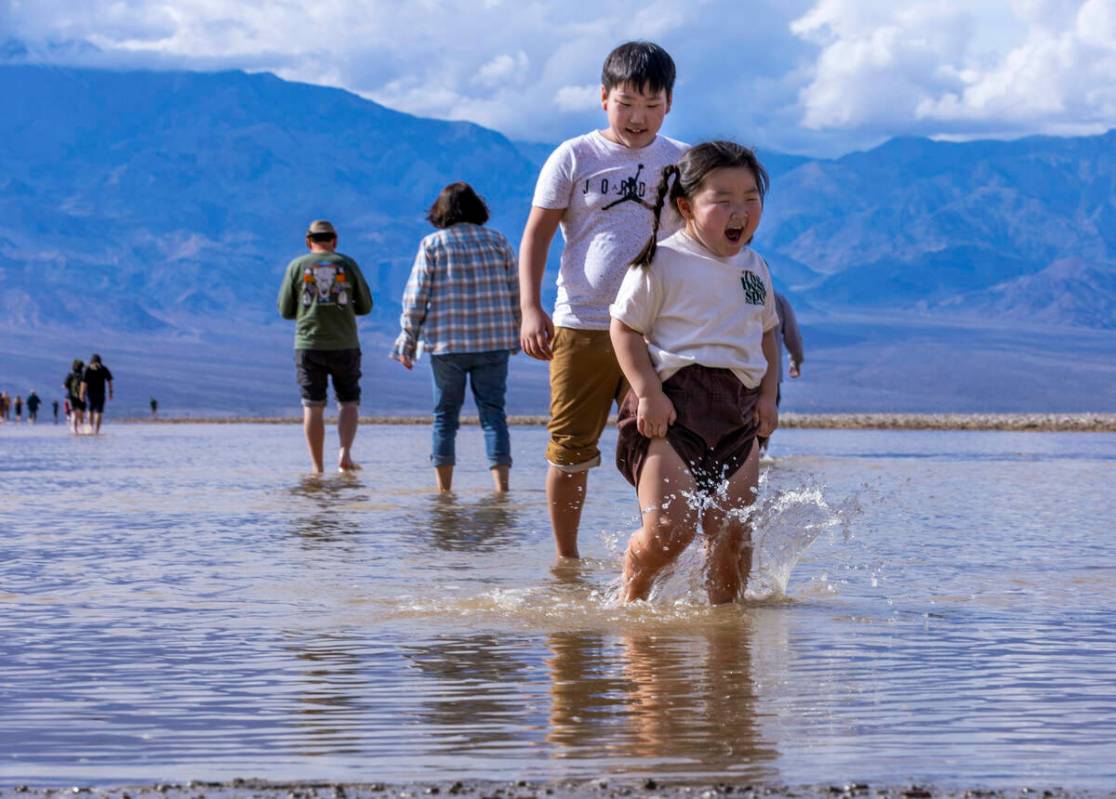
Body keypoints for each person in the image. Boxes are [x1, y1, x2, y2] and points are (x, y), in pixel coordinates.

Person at [519, 40, 688, 559]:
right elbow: (537, 235)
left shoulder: (681, 160)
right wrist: (530, 308)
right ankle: (567, 560)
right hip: (583, 325)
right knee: (571, 448)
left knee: (660, 440)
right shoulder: (575, 155)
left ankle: (655, 549)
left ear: (669, 104)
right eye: (626, 103)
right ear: (603, 98)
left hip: (655, 329)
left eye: (651, 105)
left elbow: (696, 241)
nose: (638, 118)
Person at [609, 141, 780, 604]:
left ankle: (725, 636)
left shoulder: (755, 268)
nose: (739, 211)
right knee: (669, 531)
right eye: (721, 200)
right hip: (672, 411)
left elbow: (768, 334)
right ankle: (633, 591)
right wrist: (647, 392)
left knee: (731, 536)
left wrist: (768, 398)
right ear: (685, 206)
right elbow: (624, 328)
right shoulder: (662, 261)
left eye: (750, 198)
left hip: (737, 415)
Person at [390, 183, 521, 493]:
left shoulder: (433, 245)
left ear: (441, 211)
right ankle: (502, 489)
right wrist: (518, 332)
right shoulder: (498, 241)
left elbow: (416, 297)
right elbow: (516, 292)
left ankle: (444, 491)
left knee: (444, 417)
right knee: (493, 414)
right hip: (494, 341)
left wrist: (407, 340)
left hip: (447, 344)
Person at [277, 219, 373, 473]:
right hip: (345, 344)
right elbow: (366, 306)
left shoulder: (296, 266)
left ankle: (317, 467)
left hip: (309, 344)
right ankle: (345, 455)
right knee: (349, 401)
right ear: (335, 240)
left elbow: (285, 310)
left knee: (312, 404)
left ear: (309, 241)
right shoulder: (347, 264)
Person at [757, 291, 805, 458]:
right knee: (763, 428)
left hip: (738, 376)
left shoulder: (730, 289)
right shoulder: (777, 299)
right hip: (771, 379)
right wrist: (796, 361)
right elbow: (793, 336)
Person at [80, 354, 114, 434]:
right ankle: (97, 431)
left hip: (90, 394)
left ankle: (91, 427)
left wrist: (81, 393)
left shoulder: (87, 369)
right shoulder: (103, 369)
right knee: (99, 412)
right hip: (101, 393)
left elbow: (83, 382)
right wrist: (110, 392)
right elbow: (109, 381)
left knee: (91, 410)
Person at [64, 360, 86, 433]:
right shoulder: (83, 375)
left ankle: (74, 430)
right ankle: (81, 429)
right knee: (81, 413)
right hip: (82, 396)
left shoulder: (70, 375)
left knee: (74, 413)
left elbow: (65, 385)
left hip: (72, 396)